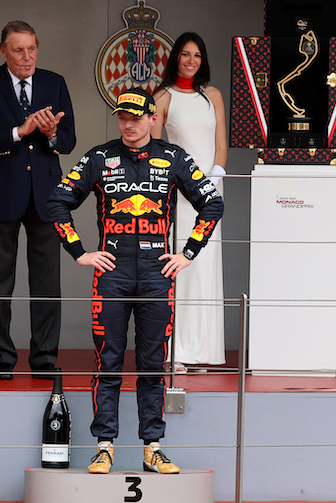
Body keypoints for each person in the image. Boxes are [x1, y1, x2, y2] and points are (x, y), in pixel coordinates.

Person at [46, 89, 223, 475]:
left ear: (152, 118)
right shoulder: (99, 157)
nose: (128, 124)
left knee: (153, 365)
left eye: (136, 117)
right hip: (112, 274)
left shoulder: (174, 157)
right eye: (122, 118)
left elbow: (212, 203)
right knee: (107, 362)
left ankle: (153, 448)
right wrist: (80, 253)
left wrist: (188, 254)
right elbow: (57, 201)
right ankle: (104, 447)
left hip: (158, 275)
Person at [0, 20, 75, 380]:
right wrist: (19, 131)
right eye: (18, 50)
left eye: (31, 49)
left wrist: (53, 133)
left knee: (47, 282)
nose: (26, 57)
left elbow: (69, 141)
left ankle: (44, 357)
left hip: (44, 194)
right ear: (3, 51)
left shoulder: (53, 82)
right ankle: (0, 356)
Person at [153, 33, 228, 373]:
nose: (191, 60)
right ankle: (178, 351)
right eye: (185, 54)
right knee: (180, 266)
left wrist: (215, 176)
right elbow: (151, 151)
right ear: (175, 58)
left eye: (197, 55)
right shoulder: (163, 97)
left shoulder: (212, 95)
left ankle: (204, 352)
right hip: (178, 194)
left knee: (205, 269)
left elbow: (220, 143)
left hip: (210, 191)